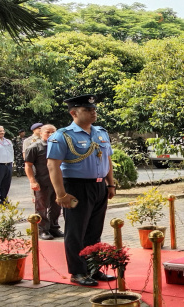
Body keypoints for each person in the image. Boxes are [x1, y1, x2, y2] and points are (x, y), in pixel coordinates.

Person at [47, 94, 116, 287]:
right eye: (87, 110)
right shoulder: (62, 136)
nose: (93, 112)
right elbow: (53, 166)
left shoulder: (101, 132)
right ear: (74, 113)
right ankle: (78, 272)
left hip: (99, 185)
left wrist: (110, 184)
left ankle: (94, 268)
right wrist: (61, 194)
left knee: (94, 231)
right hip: (76, 187)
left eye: (94, 109)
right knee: (76, 232)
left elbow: (107, 160)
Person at [25, 124, 63, 240]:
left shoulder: (59, 146)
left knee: (57, 206)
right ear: (41, 133)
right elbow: (28, 166)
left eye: (53, 132)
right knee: (42, 207)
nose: (51, 134)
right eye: (48, 132)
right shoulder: (34, 147)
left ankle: (54, 227)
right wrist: (32, 181)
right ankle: (43, 230)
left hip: (57, 182)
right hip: (42, 181)